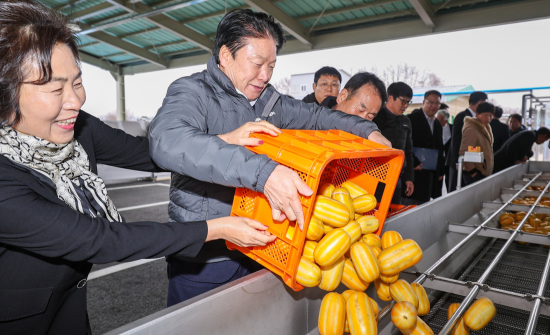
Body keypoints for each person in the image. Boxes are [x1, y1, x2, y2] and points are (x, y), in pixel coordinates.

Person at [0, 2, 277, 335]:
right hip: (5, 334)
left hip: (67, 319)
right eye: (55, 89)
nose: (75, 100)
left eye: (77, 82)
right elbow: (99, 239)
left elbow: (149, 153)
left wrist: (217, 143)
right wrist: (218, 228)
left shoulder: (76, 126)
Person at [148, 9, 390, 306]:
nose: (265, 75)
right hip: (207, 255)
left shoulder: (270, 100)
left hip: (262, 248)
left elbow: (317, 117)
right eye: (257, 63)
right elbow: (167, 140)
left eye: (272, 66)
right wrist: (264, 173)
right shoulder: (193, 92)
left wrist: (367, 130)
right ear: (226, 55)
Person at [371, 82, 416, 204]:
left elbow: (408, 151)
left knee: (394, 212)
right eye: (403, 101)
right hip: (376, 177)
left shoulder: (406, 121)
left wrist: (409, 178)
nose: (406, 105)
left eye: (408, 102)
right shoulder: (375, 117)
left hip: (398, 178)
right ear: (390, 98)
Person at [446, 91, 488, 192]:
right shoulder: (463, 117)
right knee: (457, 191)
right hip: (460, 163)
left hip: (470, 161)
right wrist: (457, 161)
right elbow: (456, 140)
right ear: (479, 103)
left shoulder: (476, 118)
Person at [407, 90, 445, 204]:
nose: (433, 106)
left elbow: (440, 148)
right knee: (411, 205)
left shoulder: (437, 124)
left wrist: (440, 171)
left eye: (437, 103)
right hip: (415, 171)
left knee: (425, 203)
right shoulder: (411, 119)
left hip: (430, 173)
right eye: (430, 102)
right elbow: (405, 145)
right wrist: (413, 162)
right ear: (424, 102)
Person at [319, 72, 386, 123]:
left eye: (370, 117)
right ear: (342, 96)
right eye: (360, 110)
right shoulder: (311, 121)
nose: (362, 120)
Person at [459, 103, 495, 185]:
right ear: (477, 114)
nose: (488, 118)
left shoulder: (486, 128)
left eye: (490, 115)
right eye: (486, 115)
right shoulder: (472, 129)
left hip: (483, 172)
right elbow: (464, 152)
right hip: (475, 174)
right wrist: (474, 173)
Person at [437, 109, 452, 191]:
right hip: (439, 160)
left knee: (449, 181)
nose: (436, 121)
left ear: (445, 121)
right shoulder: (434, 128)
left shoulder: (452, 128)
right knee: (438, 182)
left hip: (449, 160)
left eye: (439, 120)